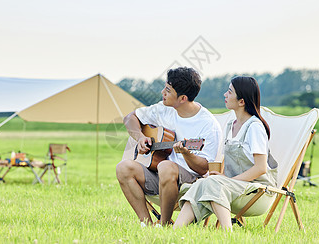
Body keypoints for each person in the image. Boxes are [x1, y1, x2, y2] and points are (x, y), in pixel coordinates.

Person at [116, 67, 222, 226]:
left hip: (191, 180)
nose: (162, 92)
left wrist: (187, 154)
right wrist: (140, 137)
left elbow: (203, 169)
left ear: (182, 98)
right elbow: (129, 118)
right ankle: (147, 224)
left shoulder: (208, 124)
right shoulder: (163, 109)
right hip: (161, 174)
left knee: (166, 166)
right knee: (123, 167)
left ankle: (164, 225)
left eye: (168, 90)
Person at [174, 76, 278, 230]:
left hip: (258, 192)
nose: (225, 94)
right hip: (236, 188)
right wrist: (223, 178)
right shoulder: (230, 125)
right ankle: (176, 230)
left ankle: (226, 233)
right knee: (203, 182)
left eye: (230, 92)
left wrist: (230, 180)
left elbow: (261, 168)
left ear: (241, 101)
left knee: (213, 182)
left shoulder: (254, 127)